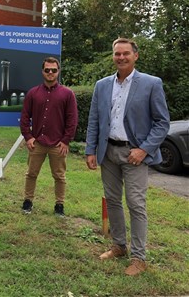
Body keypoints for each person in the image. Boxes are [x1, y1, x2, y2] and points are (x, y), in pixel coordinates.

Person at [86, 38, 170, 276]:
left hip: (135, 155)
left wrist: (144, 149)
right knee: (112, 200)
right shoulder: (102, 85)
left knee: (136, 204)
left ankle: (139, 257)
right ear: (112, 56)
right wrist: (90, 150)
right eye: (117, 54)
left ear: (136, 56)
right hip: (108, 152)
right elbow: (94, 120)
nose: (121, 57)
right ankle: (119, 246)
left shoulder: (151, 84)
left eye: (125, 53)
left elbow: (162, 122)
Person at [19, 57, 78, 216]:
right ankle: (28, 201)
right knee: (31, 174)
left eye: (54, 70)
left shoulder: (67, 94)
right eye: (47, 70)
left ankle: (59, 204)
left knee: (59, 176)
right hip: (37, 142)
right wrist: (28, 137)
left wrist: (66, 140)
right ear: (42, 71)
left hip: (58, 144)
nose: (50, 73)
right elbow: (25, 117)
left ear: (58, 71)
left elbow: (72, 119)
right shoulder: (33, 93)